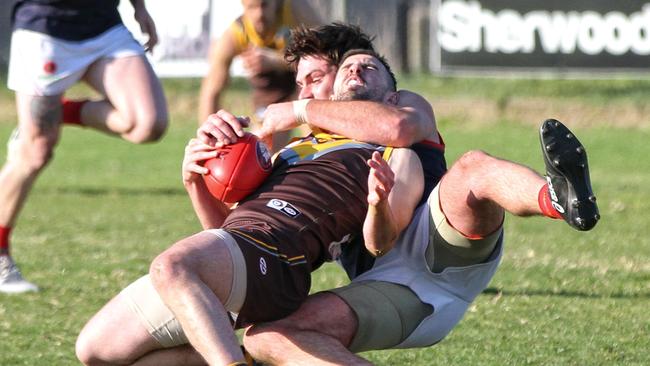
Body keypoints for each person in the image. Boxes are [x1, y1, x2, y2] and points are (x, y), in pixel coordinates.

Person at [76, 49, 427, 366]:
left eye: (369, 67)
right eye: (348, 66)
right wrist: (194, 181)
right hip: (240, 250)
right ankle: (246, 358)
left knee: (171, 265)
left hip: (280, 255)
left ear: (393, 97)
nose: (356, 70)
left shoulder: (396, 154)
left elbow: (380, 243)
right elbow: (224, 229)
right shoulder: (291, 148)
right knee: (96, 351)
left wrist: (378, 203)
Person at [0, 0, 168, 294]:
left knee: (147, 123)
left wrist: (139, 8)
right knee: (36, 152)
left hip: (103, 24)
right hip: (45, 25)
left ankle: (53, 116)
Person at [198, 0, 322, 150]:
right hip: (270, 88)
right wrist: (210, 141)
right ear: (243, 6)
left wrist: (275, 61)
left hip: (306, 80)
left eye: (264, 5)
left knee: (317, 142)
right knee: (262, 150)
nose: (259, 14)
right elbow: (210, 91)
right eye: (252, 7)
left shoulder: (295, 9)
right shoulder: (235, 34)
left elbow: (325, 57)